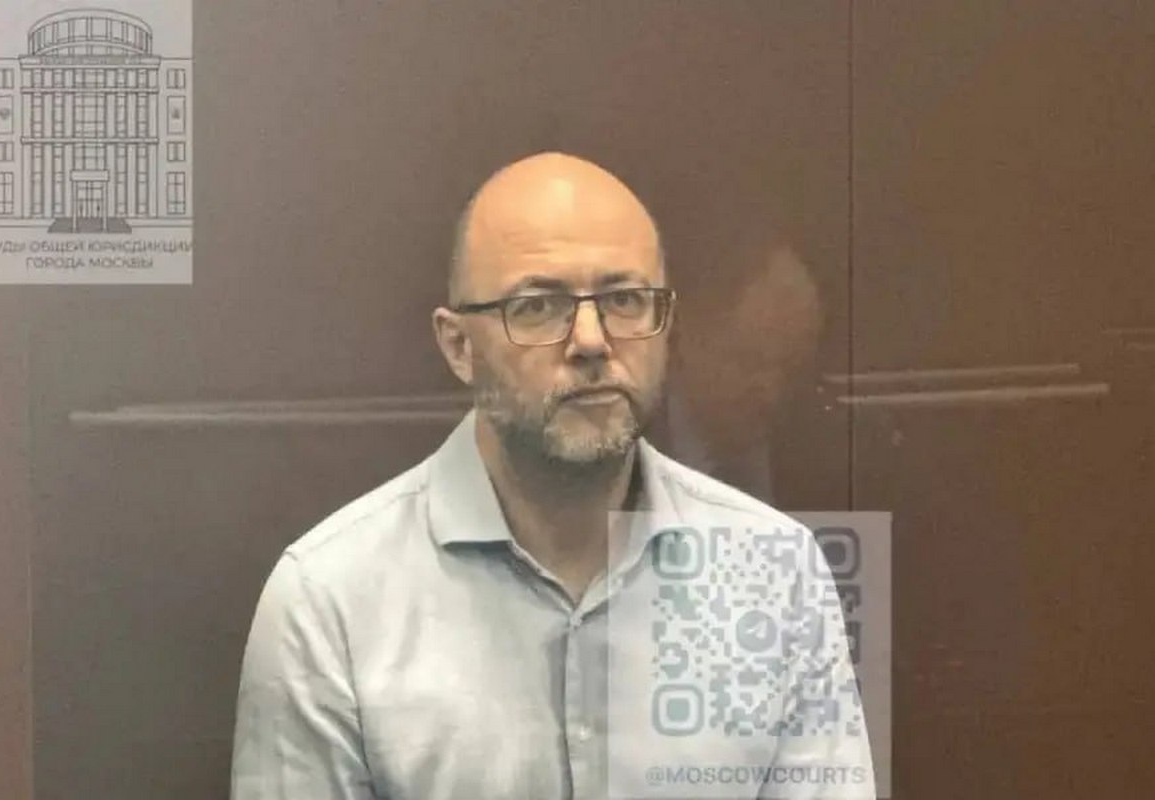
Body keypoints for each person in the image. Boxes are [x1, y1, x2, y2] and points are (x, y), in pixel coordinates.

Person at [231, 152, 874, 799]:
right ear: (459, 346)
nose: (592, 340)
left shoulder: (777, 571)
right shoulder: (332, 600)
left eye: (625, 300)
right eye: (538, 306)